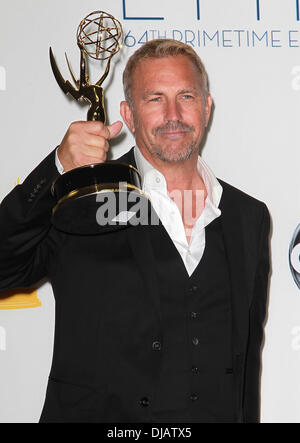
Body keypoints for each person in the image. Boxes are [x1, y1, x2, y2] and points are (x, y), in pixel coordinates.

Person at [0, 39, 270, 423]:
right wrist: (57, 167)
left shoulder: (248, 216)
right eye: (155, 99)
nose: (173, 114)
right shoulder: (84, 199)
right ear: (127, 115)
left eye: (187, 96)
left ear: (206, 108)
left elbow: (246, 366)